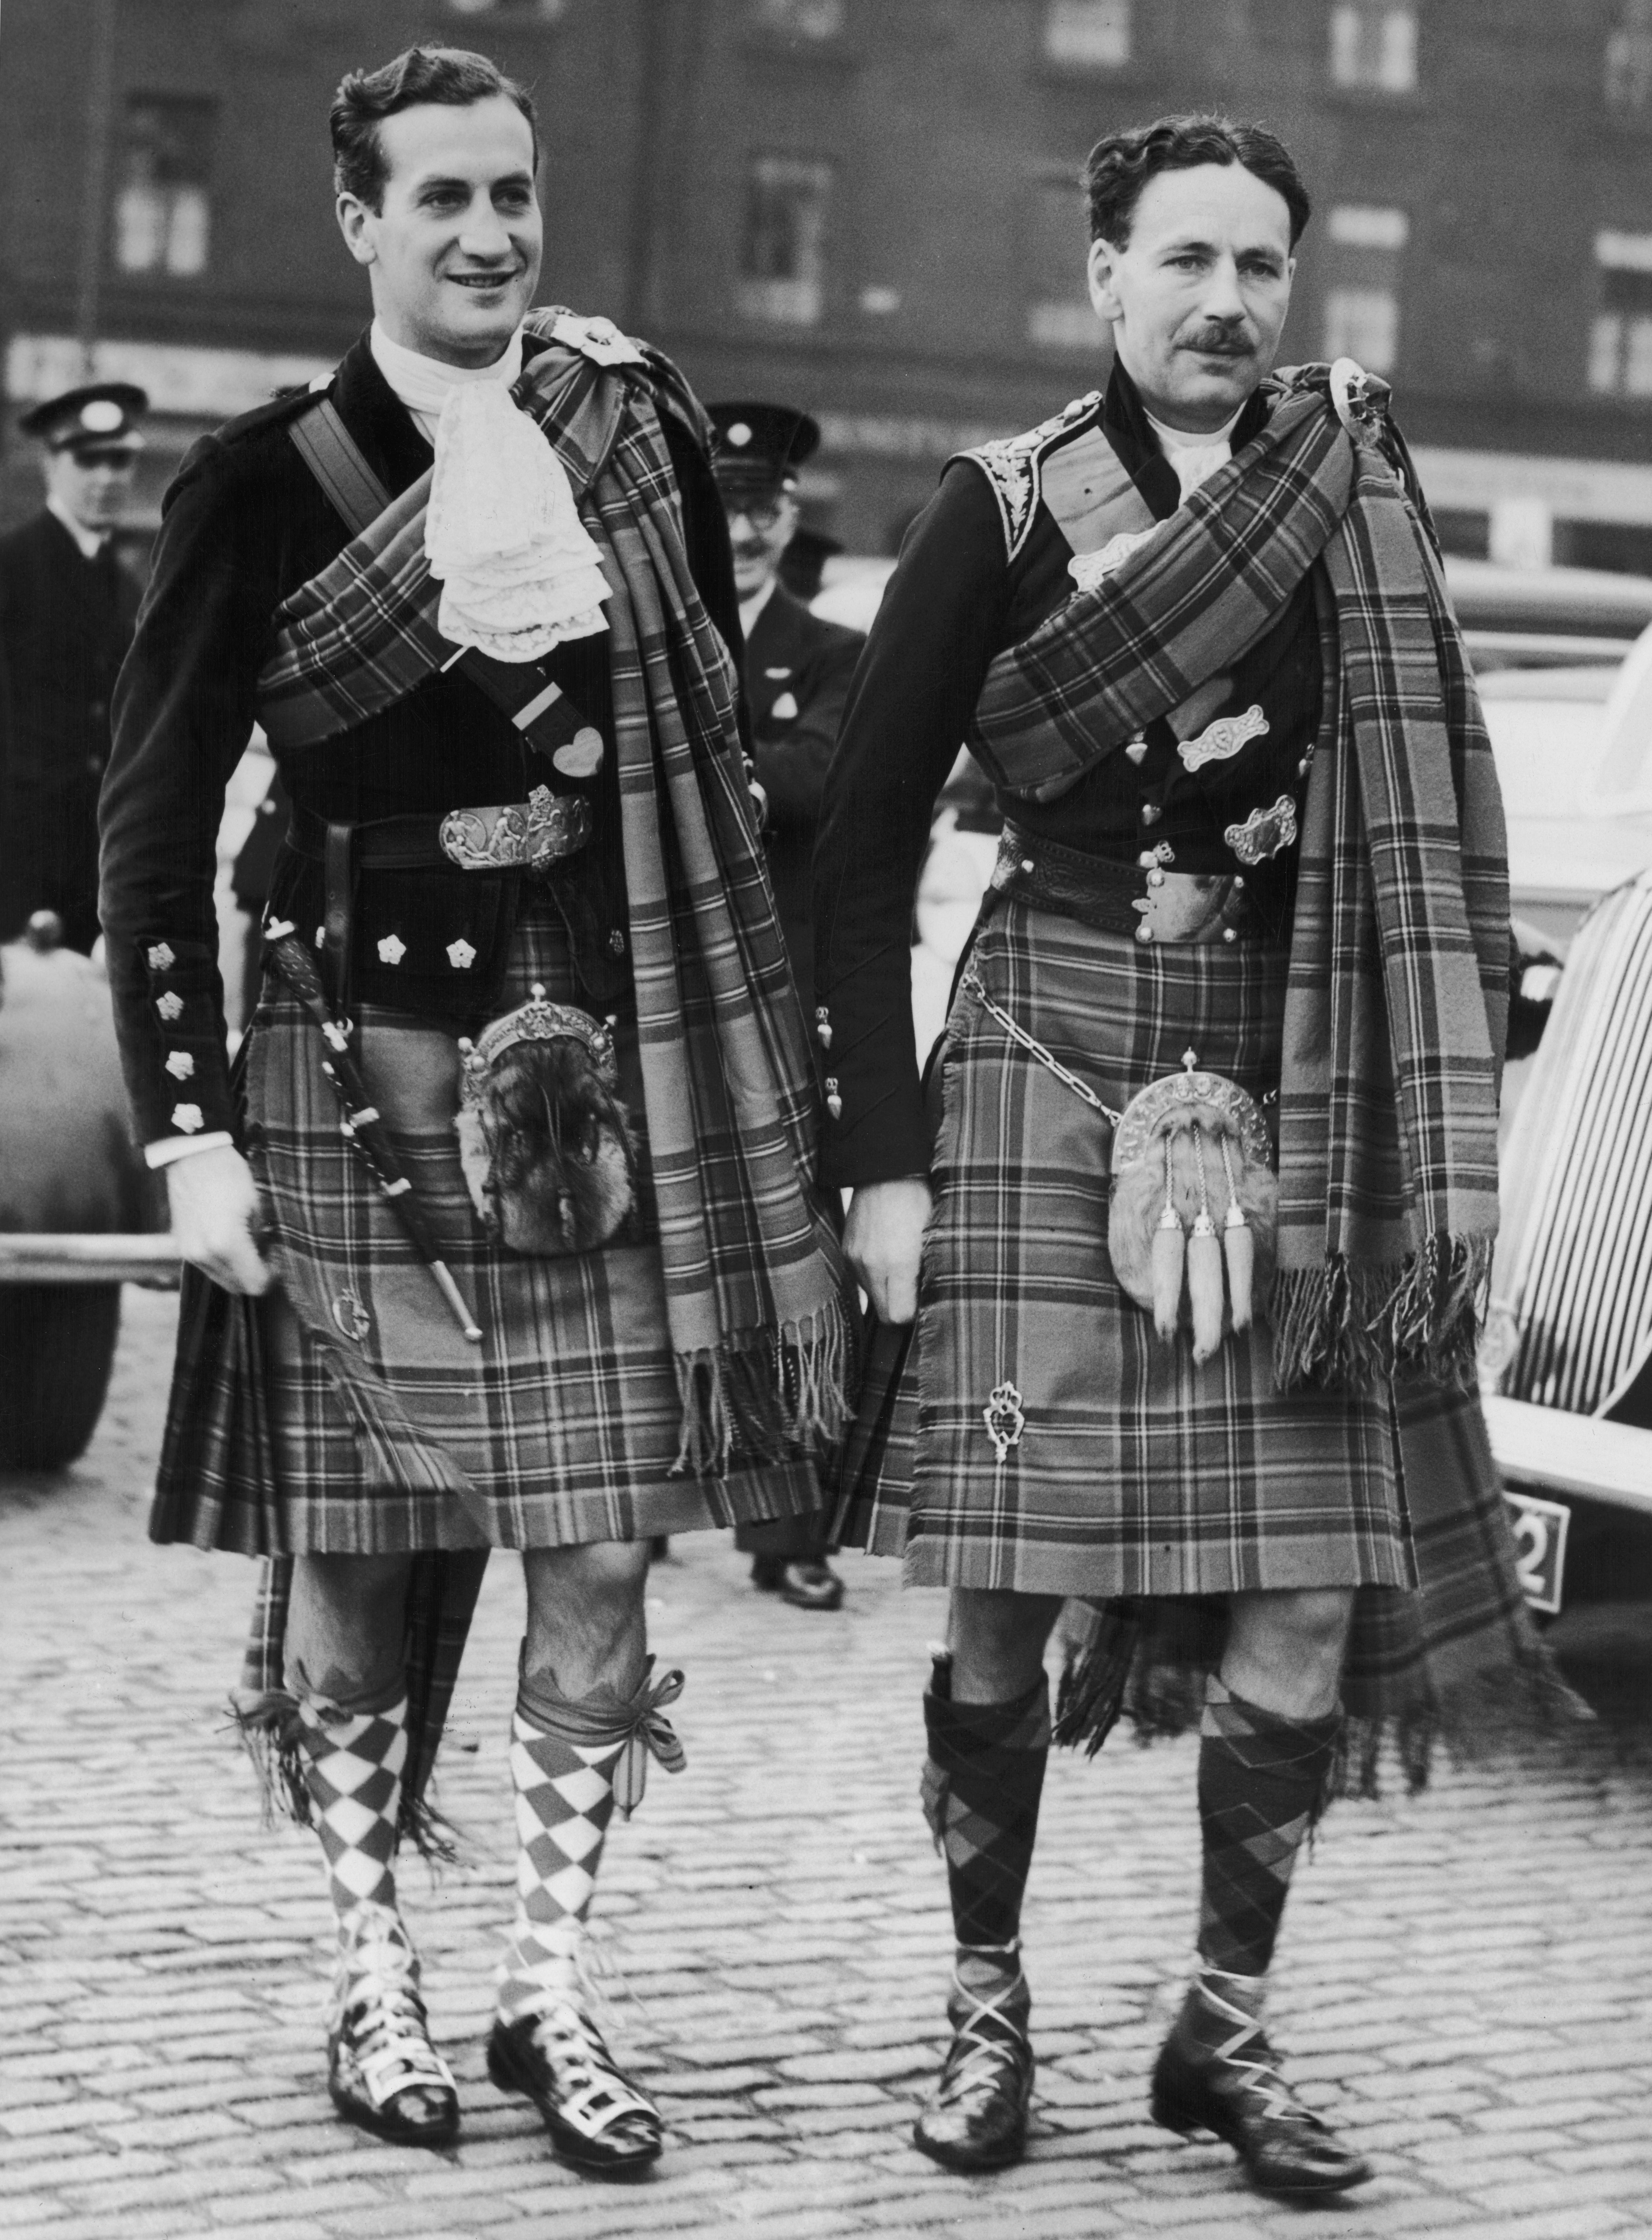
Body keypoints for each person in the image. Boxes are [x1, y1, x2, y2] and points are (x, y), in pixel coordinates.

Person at [99, 44, 847, 2177]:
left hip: (582, 1069)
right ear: (360, 221)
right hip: (343, 1059)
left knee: (602, 1547)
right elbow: (150, 829)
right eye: (442, 199)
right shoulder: (262, 479)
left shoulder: (635, 442)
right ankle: (371, 1967)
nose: (489, 234)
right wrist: (185, 1130)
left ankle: (545, 1979)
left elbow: (695, 766)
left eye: (512, 194)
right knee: (354, 1550)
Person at [814, 115, 1545, 2197]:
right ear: (1103, 279)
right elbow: (859, 859)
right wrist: (882, 1162)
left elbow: (1428, 838)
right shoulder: (1004, 509)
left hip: (1291, 1102)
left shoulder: (1355, 495)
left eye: (1257, 265)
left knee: (1304, 1597)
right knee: (998, 1609)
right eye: (1185, 261)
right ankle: (983, 2001)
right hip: (1042, 1083)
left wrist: (1428, 1141)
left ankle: (1221, 2030)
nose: (1225, 300)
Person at [709, 400, 863, 1614]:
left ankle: (789, 1531)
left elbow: (809, 785)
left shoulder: (827, 653)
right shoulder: (644, 642)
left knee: (791, 1254)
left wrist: (680, 774)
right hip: (658, 990)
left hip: (778, 995)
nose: (744, 531)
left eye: (762, 510)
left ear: (789, 515)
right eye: (724, 510)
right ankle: (648, 1496)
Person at [0, 383, 146, 952]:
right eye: (88, 459)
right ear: (50, 463)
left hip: (95, 858)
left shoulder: (126, 583)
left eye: (121, 460)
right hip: (18, 852)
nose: (107, 477)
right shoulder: (12, 566)